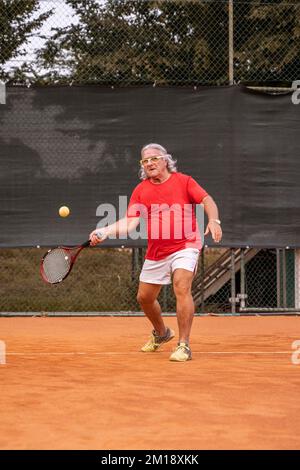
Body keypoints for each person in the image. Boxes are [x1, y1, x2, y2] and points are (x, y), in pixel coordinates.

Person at [90, 143, 222, 362]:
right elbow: (131, 222)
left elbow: (207, 200)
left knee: (182, 286)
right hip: (157, 251)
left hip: (186, 245)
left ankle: (184, 345)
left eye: (153, 158)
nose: (149, 163)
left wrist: (214, 220)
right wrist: (105, 230)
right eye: (144, 160)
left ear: (165, 160)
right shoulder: (141, 190)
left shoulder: (184, 181)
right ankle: (162, 333)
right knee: (144, 298)